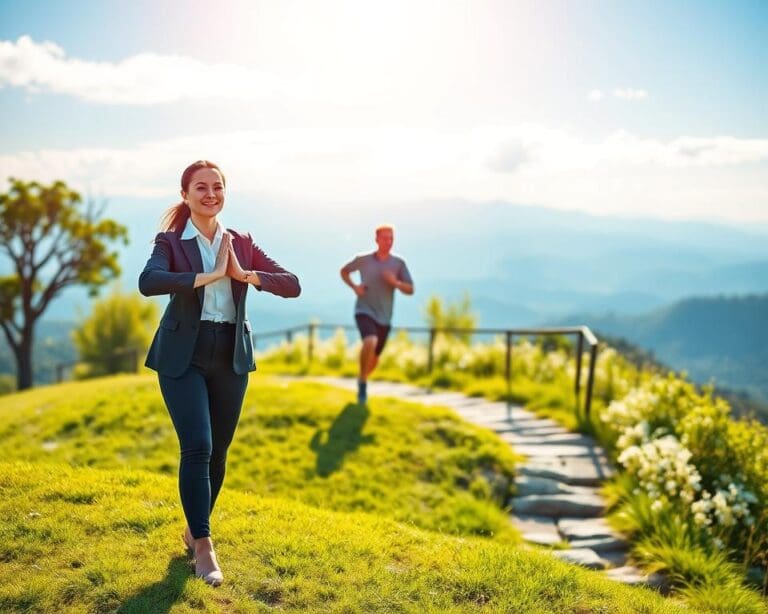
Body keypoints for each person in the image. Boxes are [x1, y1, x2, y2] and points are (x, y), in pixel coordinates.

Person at [139, 160, 300, 587]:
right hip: (183, 356)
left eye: (217, 187)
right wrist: (207, 276)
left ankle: (194, 530)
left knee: (219, 451)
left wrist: (243, 274)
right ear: (185, 194)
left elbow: (291, 283)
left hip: (230, 354)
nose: (210, 194)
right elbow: (149, 281)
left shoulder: (241, 242)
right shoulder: (171, 242)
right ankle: (205, 547)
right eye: (201, 187)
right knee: (198, 446)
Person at [340, 224, 413, 403]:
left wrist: (395, 282)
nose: (389, 242)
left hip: (384, 317)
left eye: (391, 238)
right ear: (377, 239)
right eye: (385, 238)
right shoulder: (363, 260)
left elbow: (410, 289)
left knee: (374, 359)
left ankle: (362, 378)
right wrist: (355, 287)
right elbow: (344, 271)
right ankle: (363, 384)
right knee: (370, 340)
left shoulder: (398, 264)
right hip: (364, 310)